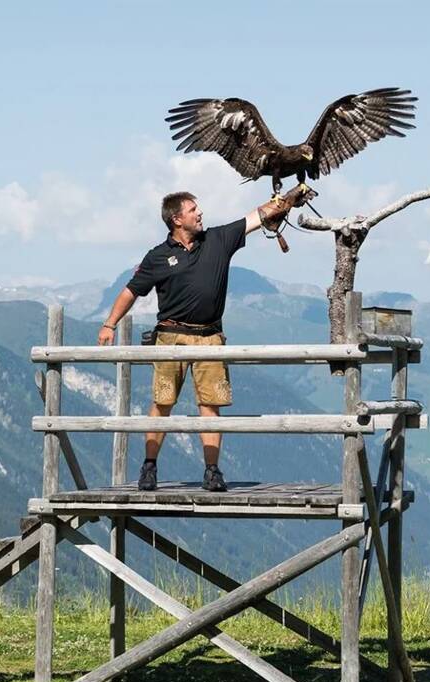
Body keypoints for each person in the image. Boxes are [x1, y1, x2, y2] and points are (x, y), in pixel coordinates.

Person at [97, 184, 312, 492]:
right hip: (170, 338)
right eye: (193, 210)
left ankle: (212, 471)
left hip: (210, 336)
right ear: (176, 219)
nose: (200, 214)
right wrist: (109, 324)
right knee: (162, 402)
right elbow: (131, 291)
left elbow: (257, 217)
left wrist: (286, 199)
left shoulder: (219, 239)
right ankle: (149, 467)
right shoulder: (158, 256)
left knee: (210, 405)